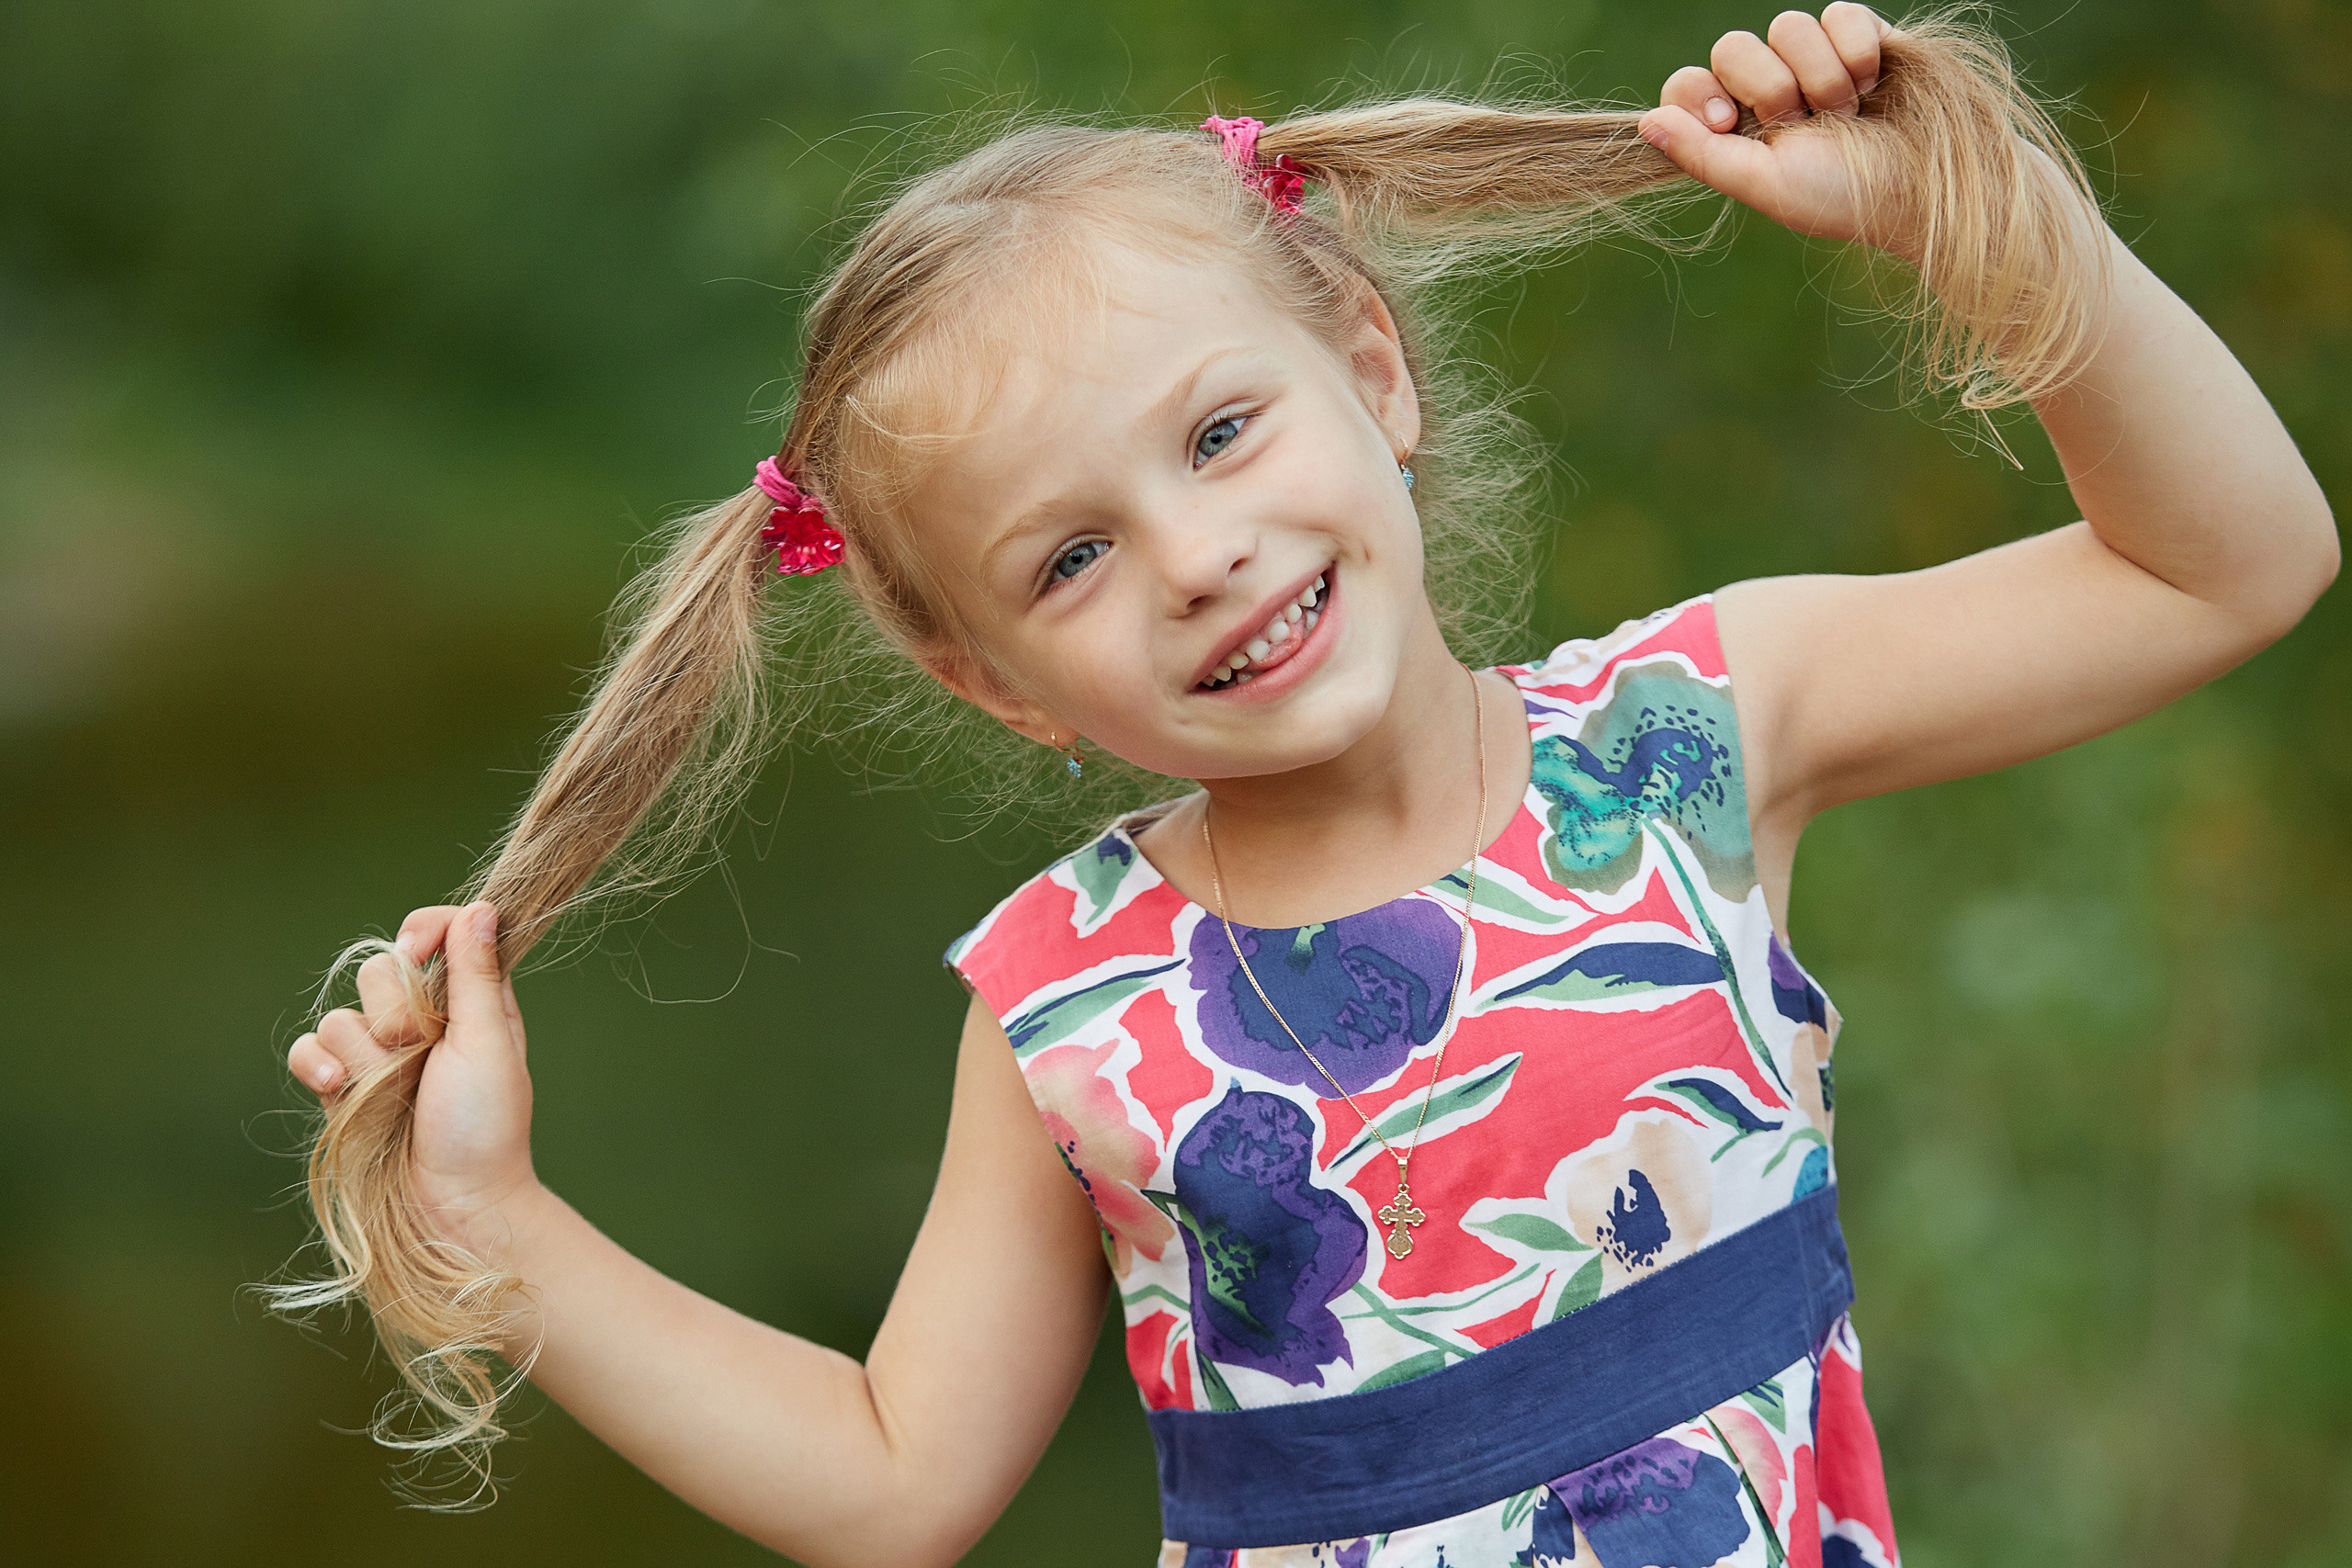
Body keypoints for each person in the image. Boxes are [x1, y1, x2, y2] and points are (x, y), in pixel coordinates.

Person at [275, 6, 2335, 1565]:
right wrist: (497, 1222)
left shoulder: (1691, 730)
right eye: (1065, 557)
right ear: (990, 677)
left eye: (1221, 430)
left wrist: (1982, 222)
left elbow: (2222, 562)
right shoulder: (1075, 1004)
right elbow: (893, 1481)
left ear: (1367, 364)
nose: (1193, 554)